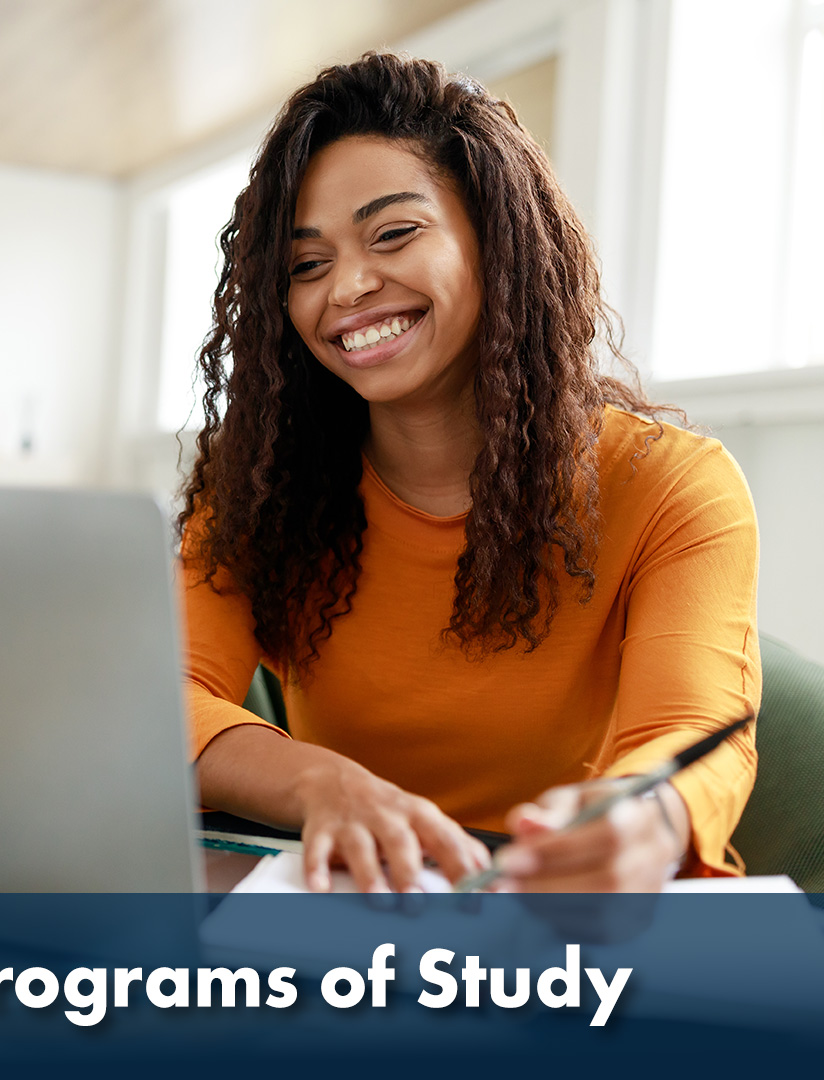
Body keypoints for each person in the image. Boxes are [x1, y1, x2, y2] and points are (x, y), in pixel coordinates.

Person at [178, 52, 759, 893]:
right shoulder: (262, 489)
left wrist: (646, 818)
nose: (348, 286)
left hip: (563, 922)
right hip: (347, 911)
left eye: (394, 233)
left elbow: (695, 730)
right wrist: (322, 782)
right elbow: (162, 704)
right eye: (306, 265)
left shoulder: (674, 486)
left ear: (498, 240)